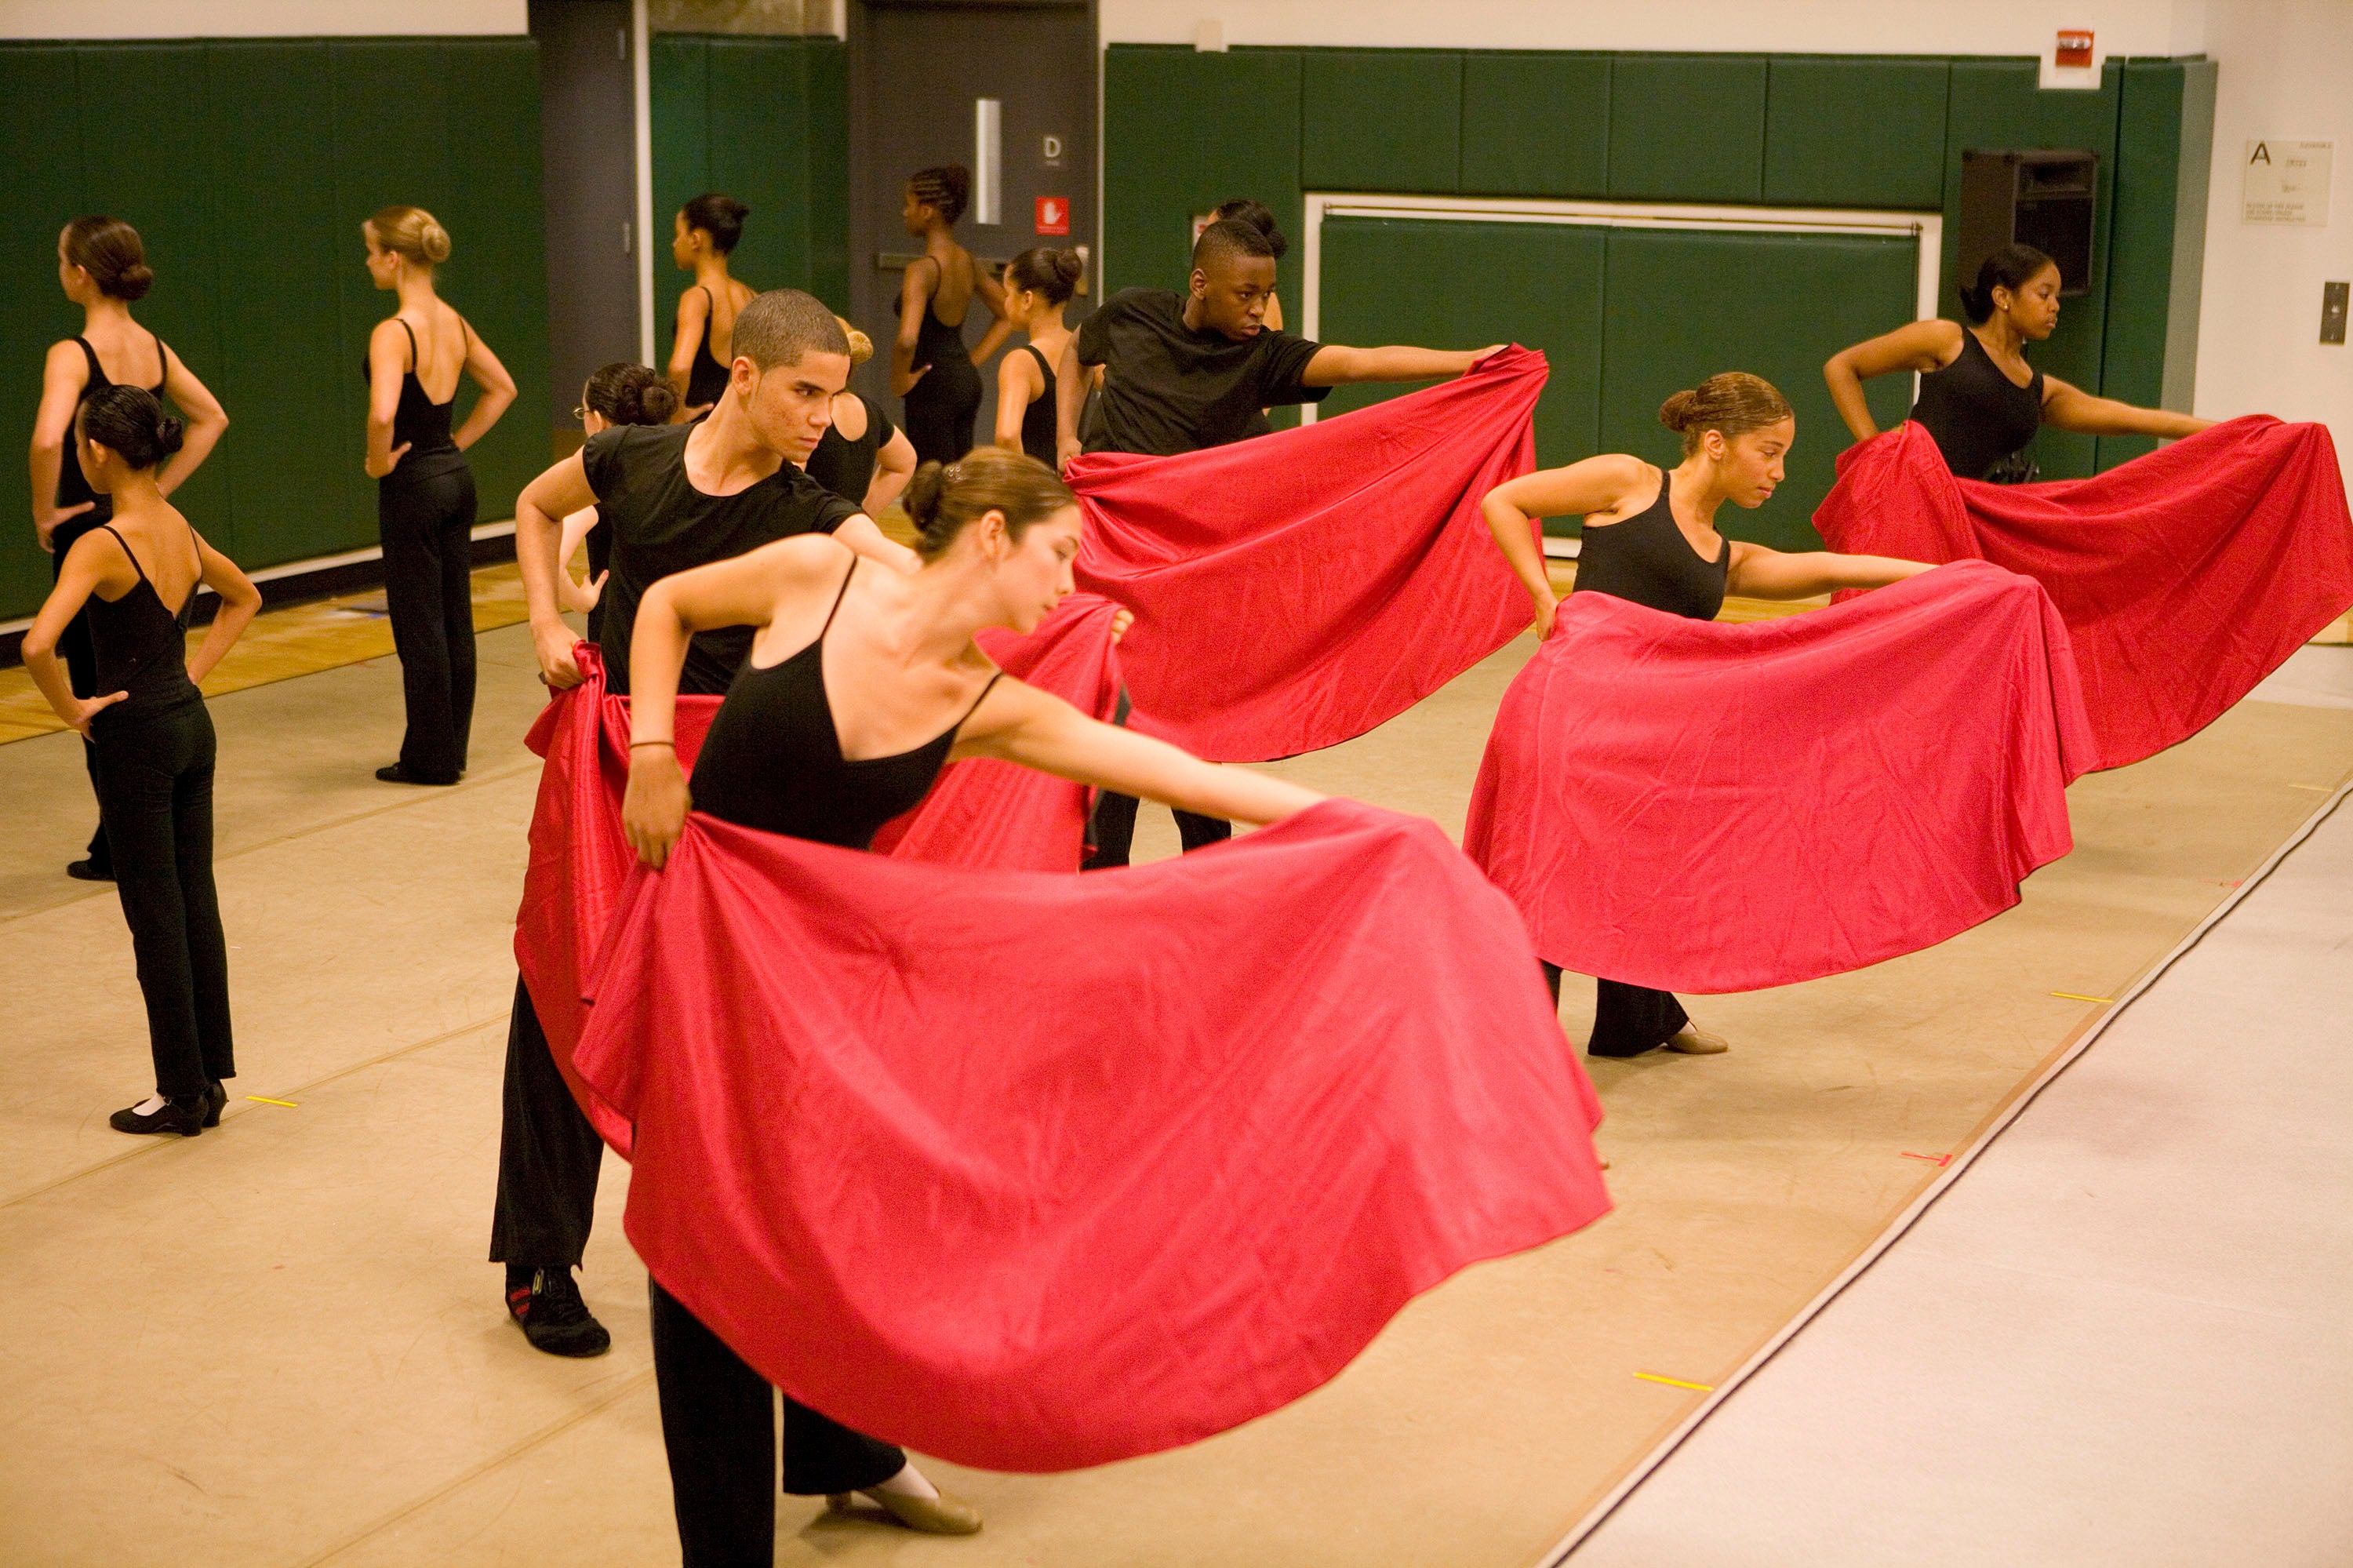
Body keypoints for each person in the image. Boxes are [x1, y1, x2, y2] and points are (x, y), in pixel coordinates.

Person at [620, 446, 1321, 1556]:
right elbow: (662, 602)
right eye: (1058, 555)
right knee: (706, 1248)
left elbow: (1187, 777)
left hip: (822, 991)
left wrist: (1350, 823)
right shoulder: (819, 573)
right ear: (991, 532)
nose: (1067, 586)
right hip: (704, 955)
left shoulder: (984, 699)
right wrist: (653, 747)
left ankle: (849, 1448)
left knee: (828, 1226)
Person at [488, 290, 920, 1360]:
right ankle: (540, 1257)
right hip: (620, 761)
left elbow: (895, 565)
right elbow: (535, 507)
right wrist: (545, 613)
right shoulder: (634, 456)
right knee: (559, 987)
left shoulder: (808, 510)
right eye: (803, 392)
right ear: (741, 374)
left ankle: (764, 1257)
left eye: (834, 396)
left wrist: (1031, 602)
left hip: (732, 779)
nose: (822, 416)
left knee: (732, 1021)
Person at [1479, 372, 1933, 1059]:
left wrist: (1937, 578)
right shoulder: (1628, 482)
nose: (1779, 473)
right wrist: (1542, 593)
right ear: (1717, 443)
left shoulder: (1725, 556)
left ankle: (1642, 1018)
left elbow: (1825, 566)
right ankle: (1513, 1051)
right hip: (1567, 716)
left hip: (1641, 736)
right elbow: (1505, 500)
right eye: (1769, 452)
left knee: (1636, 863)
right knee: (1545, 876)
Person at [1058, 215, 1500, 864]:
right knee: (1115, 734)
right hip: (1111, 566)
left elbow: (1358, 361)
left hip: (1195, 582)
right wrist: (1066, 435)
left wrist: (1465, 363)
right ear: (1200, 282)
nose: (1260, 307)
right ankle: (1102, 889)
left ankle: (1210, 884)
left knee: (1195, 740)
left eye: (1267, 293)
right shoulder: (1131, 315)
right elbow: (1076, 351)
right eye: (1246, 293)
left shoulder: (1263, 355)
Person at [20, 387, 261, 1135]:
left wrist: (72, 708)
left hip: (136, 740)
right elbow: (243, 596)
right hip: (192, 727)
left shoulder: (102, 541)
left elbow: (35, 643)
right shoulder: (178, 525)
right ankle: (210, 1076)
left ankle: (178, 1091)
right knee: (196, 901)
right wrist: (193, 675)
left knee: (153, 914)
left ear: (101, 451)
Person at [30, 215, 229, 882]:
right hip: (145, 526)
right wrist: (158, 488)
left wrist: (43, 510)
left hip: (92, 527)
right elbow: (212, 417)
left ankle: (120, 839)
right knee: (148, 667)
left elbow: (45, 438)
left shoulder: (72, 353)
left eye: (61, 259)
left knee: (96, 689)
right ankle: (135, 829)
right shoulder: (154, 349)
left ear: (80, 274)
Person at [1824, 242, 2213, 482]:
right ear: (2002, 296)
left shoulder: (2037, 389)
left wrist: (2228, 431)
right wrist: (1874, 450)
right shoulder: (1946, 339)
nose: (2055, 306)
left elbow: (2134, 419)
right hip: (1904, 503)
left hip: (1962, 514)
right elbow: (1842, 367)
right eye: (2044, 294)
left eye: (2057, 296)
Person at [362, 203, 516, 787]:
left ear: (394, 258)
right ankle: (450, 748)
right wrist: (454, 441)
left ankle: (428, 759)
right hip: (455, 476)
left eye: (372, 251)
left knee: (419, 622)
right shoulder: (453, 321)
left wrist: (379, 461)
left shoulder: (392, 331)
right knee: (455, 617)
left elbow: (382, 412)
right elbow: (502, 388)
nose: (369, 262)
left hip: (412, 484)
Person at [552, 363, 682, 648]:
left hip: (618, 634)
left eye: (582, 413)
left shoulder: (595, 479)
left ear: (597, 421)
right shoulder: (679, 463)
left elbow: (553, 559)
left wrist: (580, 600)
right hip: (678, 625)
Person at [891, 165, 1009, 465]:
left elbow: (907, 339)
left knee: (932, 484)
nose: (905, 213)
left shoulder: (920, 271)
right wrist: (969, 362)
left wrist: (899, 381)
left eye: (910, 204)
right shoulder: (966, 261)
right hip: (965, 382)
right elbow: (1007, 312)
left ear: (928, 211)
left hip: (932, 387)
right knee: (957, 482)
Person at [805, 318, 916, 515]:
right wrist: (862, 514)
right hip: (850, 535)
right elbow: (905, 461)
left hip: (810, 538)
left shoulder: (810, 414)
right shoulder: (868, 409)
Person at [991, 247, 1084, 467]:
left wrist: (1028, 487)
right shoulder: (1084, 350)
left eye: (1007, 294)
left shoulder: (1020, 362)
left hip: (1037, 491)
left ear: (1027, 300)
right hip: (1070, 481)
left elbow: (1007, 436)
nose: (1005, 302)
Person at [667, 194, 755, 417]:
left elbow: (680, 367)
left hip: (704, 424)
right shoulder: (752, 296)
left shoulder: (697, 298)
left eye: (679, 235)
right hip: (740, 418)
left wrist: (677, 416)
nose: (674, 243)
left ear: (696, 239)